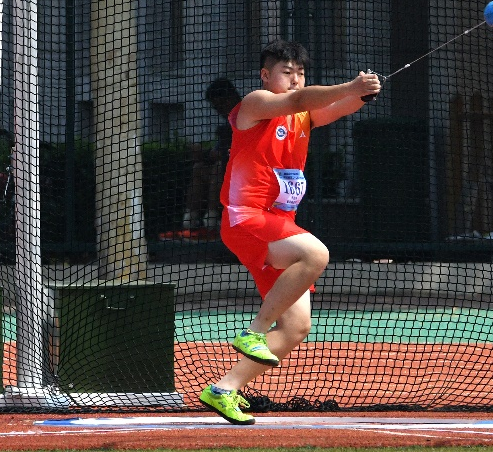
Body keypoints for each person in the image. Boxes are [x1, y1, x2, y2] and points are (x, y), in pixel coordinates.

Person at [198, 39, 380, 425]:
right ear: (266, 75)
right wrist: (351, 85)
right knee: (315, 254)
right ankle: (255, 330)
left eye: (300, 73)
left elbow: (333, 108)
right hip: (246, 219)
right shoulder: (254, 103)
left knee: (297, 327)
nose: (295, 79)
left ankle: (223, 390)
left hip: (279, 226)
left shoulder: (304, 115)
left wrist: (362, 95)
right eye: (287, 72)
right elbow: (301, 101)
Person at [160, 78, 243, 242]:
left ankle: (212, 224)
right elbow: (216, 152)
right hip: (230, 175)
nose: (218, 111)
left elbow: (223, 155)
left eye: (219, 105)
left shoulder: (245, 116)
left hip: (248, 178)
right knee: (199, 168)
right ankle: (190, 223)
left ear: (229, 99)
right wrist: (202, 155)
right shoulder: (228, 123)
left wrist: (206, 154)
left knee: (219, 168)